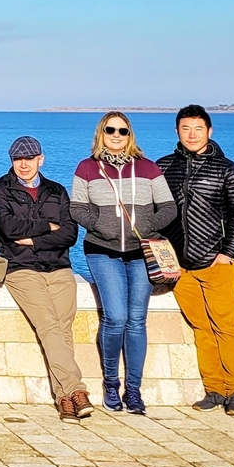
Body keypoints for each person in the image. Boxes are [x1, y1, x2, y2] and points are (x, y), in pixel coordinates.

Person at [71, 111, 177, 415]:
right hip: (102, 250)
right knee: (115, 317)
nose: (116, 136)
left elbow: (168, 206)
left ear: (130, 135)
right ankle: (110, 385)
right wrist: (98, 225)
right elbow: (77, 208)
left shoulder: (148, 168)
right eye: (110, 130)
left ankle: (133, 390)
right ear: (100, 133)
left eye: (122, 131)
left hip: (140, 253)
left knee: (136, 320)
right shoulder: (87, 168)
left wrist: (149, 227)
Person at [157, 105, 234, 417]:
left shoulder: (226, 169)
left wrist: (229, 254)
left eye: (198, 129)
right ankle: (213, 389)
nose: (192, 134)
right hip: (181, 266)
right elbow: (154, 213)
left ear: (209, 132)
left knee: (226, 327)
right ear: (177, 131)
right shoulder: (164, 167)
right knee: (201, 328)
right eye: (186, 128)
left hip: (216, 264)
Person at [0, 136, 92, 423]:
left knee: (64, 328)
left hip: (58, 267)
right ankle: (76, 389)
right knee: (49, 324)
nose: (23, 164)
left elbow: (70, 234)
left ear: (40, 159)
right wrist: (48, 226)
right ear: (12, 161)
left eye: (29, 158)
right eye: (18, 159)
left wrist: (33, 240)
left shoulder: (56, 191)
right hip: (20, 269)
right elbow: (8, 227)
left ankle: (64, 399)